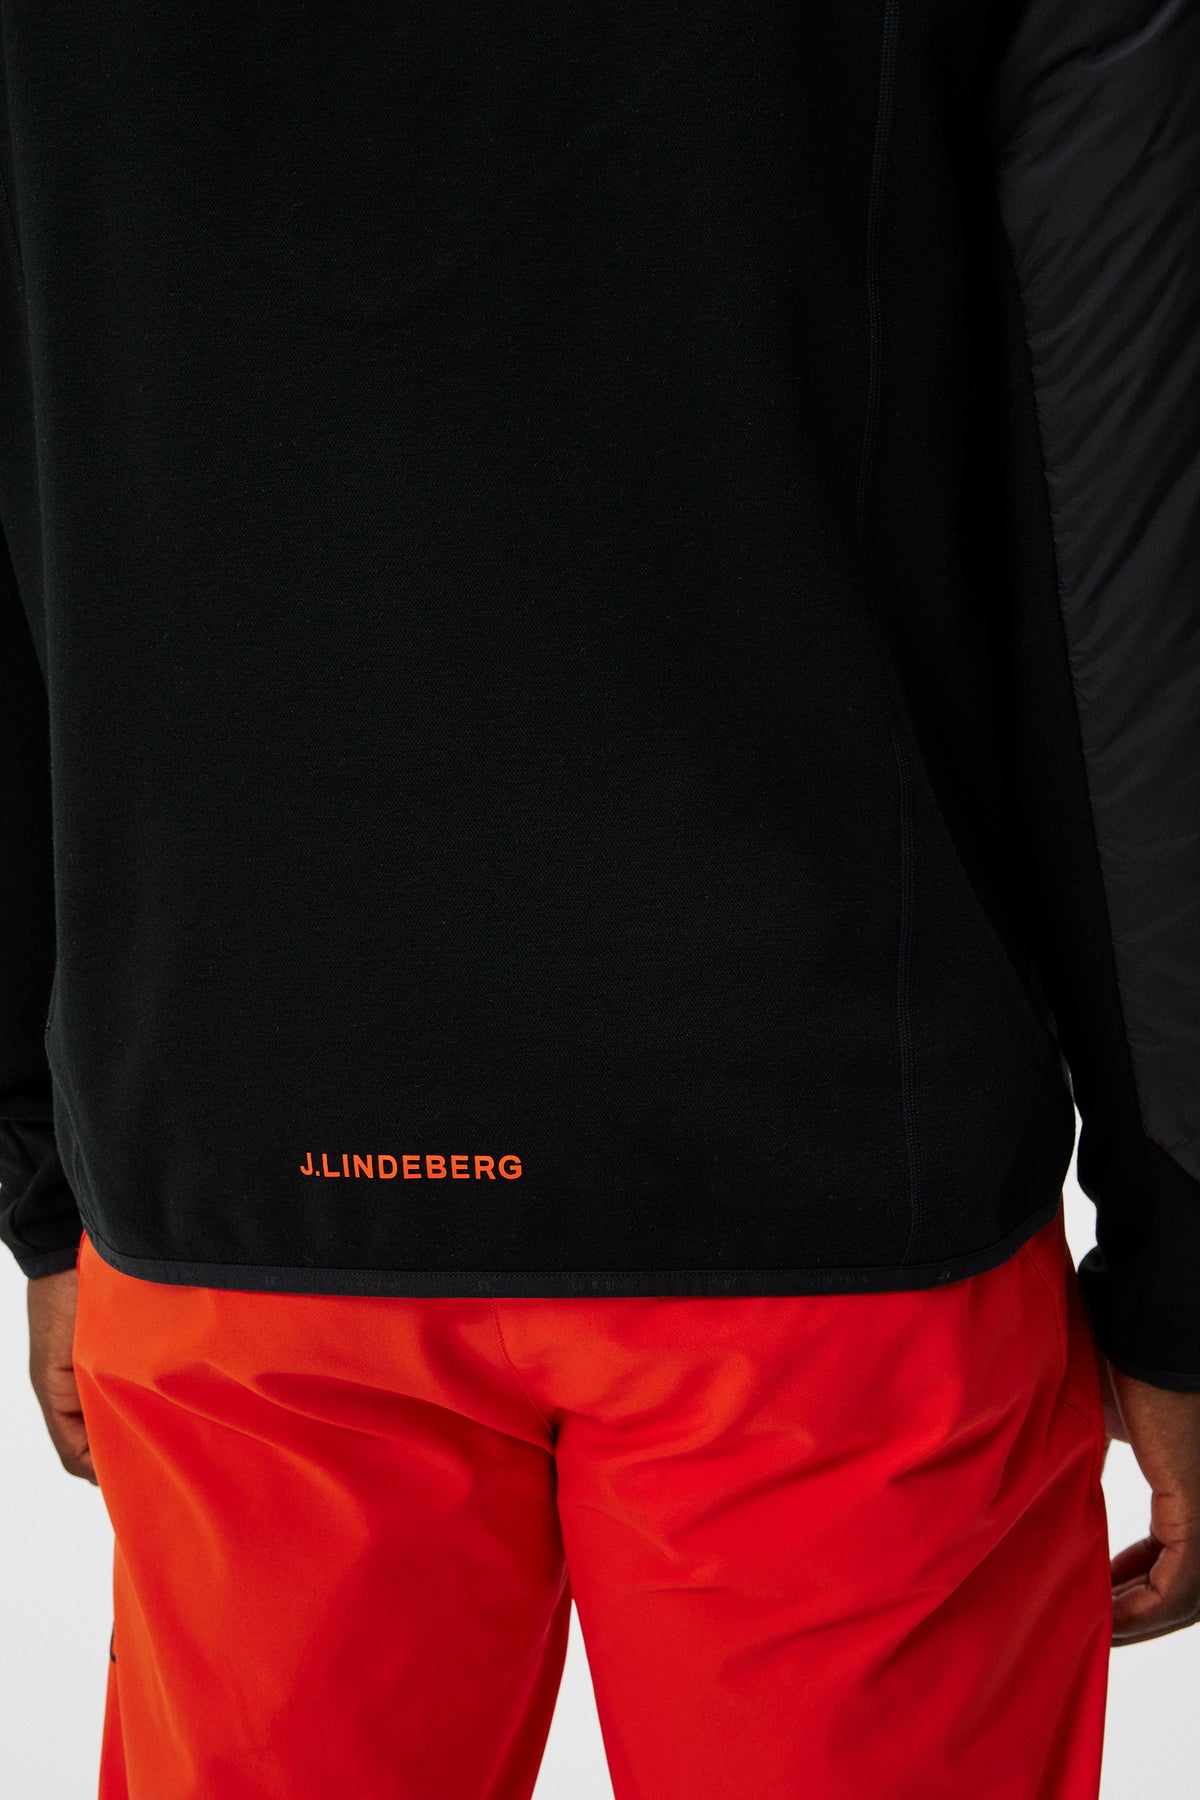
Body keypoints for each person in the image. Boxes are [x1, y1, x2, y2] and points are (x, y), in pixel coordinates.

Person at [3, 0, 1198, 1793]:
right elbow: (1133, 572)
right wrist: (1185, 1264)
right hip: (827, 1188)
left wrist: (49, 1168)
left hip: (238, 1153)